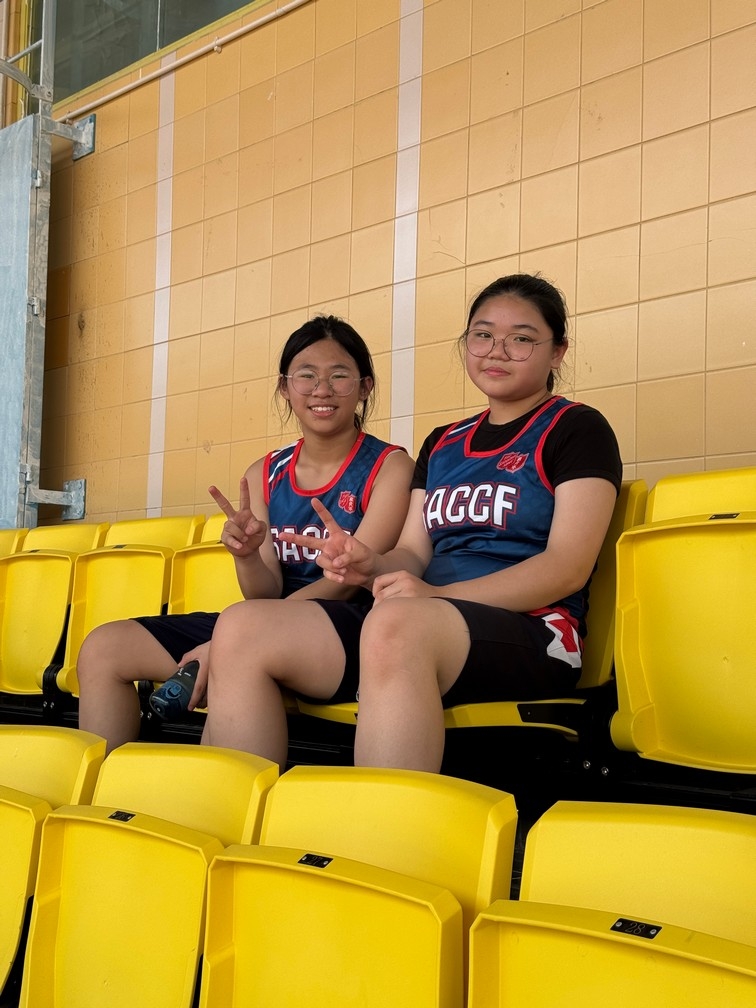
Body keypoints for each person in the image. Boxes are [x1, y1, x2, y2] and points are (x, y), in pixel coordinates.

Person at [204, 273, 622, 772]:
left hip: (534, 631)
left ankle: (383, 820)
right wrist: (368, 563)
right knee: (243, 625)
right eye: (483, 335)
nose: (497, 351)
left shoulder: (577, 429)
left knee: (396, 623)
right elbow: (412, 553)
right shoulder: (443, 442)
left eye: (521, 339)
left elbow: (566, 567)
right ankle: (235, 811)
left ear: (557, 352)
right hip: (420, 621)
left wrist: (435, 596)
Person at [76, 315, 414, 752]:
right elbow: (263, 594)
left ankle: (233, 788)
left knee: (241, 634)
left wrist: (224, 641)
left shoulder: (391, 468)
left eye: (339, 376)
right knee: (104, 648)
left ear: (364, 387)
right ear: (284, 387)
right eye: (306, 375)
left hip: (349, 627)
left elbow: (346, 585)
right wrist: (248, 556)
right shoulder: (264, 473)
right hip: (261, 623)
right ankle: (101, 790)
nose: (322, 390)